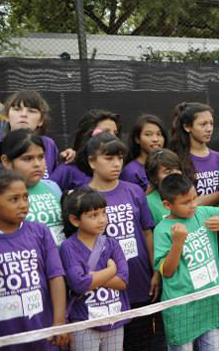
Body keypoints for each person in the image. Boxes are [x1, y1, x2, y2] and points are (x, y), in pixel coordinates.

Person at [82, 132, 164, 351]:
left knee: (142, 342)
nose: (116, 163)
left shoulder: (135, 191)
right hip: (104, 292)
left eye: (119, 157)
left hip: (139, 283)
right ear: (92, 161)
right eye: (109, 158)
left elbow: (147, 233)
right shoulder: (81, 196)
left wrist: (155, 271)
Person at [154, 173, 219, 350]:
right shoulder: (162, 230)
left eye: (194, 198)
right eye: (186, 202)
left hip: (209, 302)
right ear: (167, 205)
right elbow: (167, 271)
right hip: (182, 308)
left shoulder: (202, 212)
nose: (193, 205)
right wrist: (178, 243)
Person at [0, 170, 70, 351]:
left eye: (25, 197)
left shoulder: (40, 232)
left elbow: (55, 276)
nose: (23, 204)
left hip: (43, 333)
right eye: (14, 199)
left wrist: (59, 322)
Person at [59, 187, 130, 351]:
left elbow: (123, 281)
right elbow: (79, 284)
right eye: (93, 215)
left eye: (104, 213)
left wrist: (92, 278)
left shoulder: (111, 243)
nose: (102, 220)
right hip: (85, 323)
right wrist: (111, 271)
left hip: (114, 319)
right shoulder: (68, 248)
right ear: (75, 220)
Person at [1, 129, 65, 245]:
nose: (37, 164)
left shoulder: (52, 187)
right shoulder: (2, 194)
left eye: (41, 157)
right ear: (6, 162)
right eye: (28, 158)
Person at [51, 109, 121, 193]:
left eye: (115, 133)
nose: (113, 137)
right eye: (106, 132)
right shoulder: (67, 170)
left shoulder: (118, 168)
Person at [168, 102, 219, 206]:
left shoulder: (218, 157)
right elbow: (190, 202)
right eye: (203, 124)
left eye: (211, 123)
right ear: (187, 127)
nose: (209, 129)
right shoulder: (176, 159)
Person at [1, 90, 61, 178]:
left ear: (40, 121)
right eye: (17, 109)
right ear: (7, 116)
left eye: (32, 111)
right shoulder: (2, 144)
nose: (23, 114)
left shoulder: (48, 144)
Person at [122, 114, 167, 191]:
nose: (155, 139)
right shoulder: (131, 171)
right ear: (137, 139)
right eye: (148, 134)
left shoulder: (168, 164)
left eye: (159, 134)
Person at [144, 149, 184, 226]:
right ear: (154, 178)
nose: (176, 174)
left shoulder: (188, 193)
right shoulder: (148, 203)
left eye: (178, 169)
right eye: (168, 172)